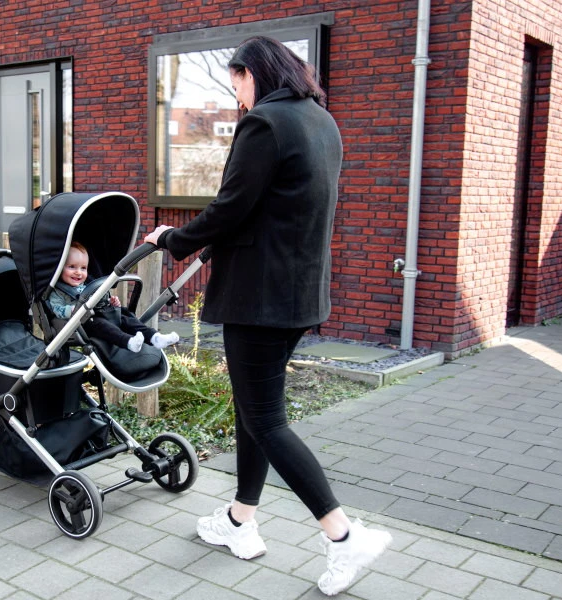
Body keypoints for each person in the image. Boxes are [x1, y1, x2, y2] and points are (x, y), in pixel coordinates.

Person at [144, 36, 391, 596]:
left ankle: (343, 536)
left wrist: (173, 239)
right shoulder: (322, 122)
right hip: (299, 294)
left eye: (236, 86)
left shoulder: (264, 123)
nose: (237, 99)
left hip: (259, 298)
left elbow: (232, 205)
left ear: (252, 74)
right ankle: (240, 520)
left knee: (267, 420)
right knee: (253, 409)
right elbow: (278, 206)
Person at [48, 242, 179, 353]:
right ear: (60, 268)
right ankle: (128, 342)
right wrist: (72, 309)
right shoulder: (58, 291)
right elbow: (56, 309)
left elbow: (99, 302)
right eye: (72, 267)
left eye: (83, 268)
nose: (78, 272)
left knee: (125, 315)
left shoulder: (86, 285)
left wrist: (111, 303)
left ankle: (155, 337)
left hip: (100, 314)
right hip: (83, 324)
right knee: (101, 324)